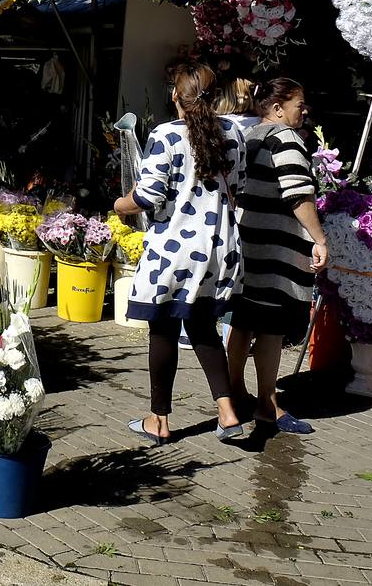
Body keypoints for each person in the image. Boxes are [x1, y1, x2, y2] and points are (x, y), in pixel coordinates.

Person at [114, 59, 247, 444]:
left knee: (164, 331)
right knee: (204, 327)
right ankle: (227, 413)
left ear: (176, 96)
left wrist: (121, 204)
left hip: (174, 248)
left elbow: (147, 195)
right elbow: (238, 186)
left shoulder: (166, 135)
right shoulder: (234, 133)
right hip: (219, 247)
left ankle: (158, 419)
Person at [227, 78, 328, 435]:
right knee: (269, 327)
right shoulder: (285, 139)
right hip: (276, 249)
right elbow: (298, 193)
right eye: (299, 104)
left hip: (247, 242)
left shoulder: (249, 136)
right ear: (277, 108)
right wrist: (319, 238)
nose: (304, 110)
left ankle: (236, 392)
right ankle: (268, 403)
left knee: (242, 322)